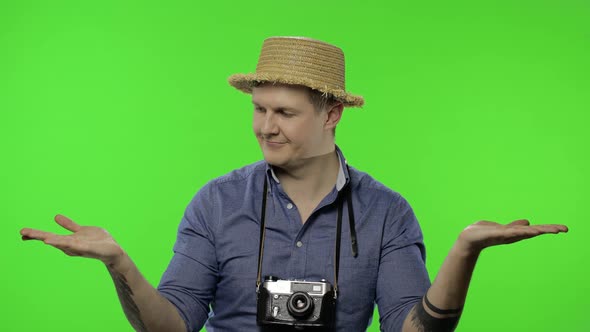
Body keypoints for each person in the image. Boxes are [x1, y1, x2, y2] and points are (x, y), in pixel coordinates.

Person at [20, 36, 568, 332]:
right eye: (259, 110)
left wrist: (464, 252)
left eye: (283, 111)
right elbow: (173, 327)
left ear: (332, 115)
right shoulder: (216, 202)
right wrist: (120, 264)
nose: (265, 127)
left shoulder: (388, 214)